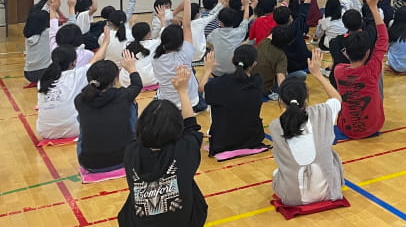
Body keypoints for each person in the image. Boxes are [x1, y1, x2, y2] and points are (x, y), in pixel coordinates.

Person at [118, 66, 207, 227]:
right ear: (177, 130)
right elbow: (192, 127)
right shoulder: (184, 149)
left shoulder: (131, 150)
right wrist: (182, 91)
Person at [270, 50, 345, 206]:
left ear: (281, 102)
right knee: (332, 157)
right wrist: (317, 74)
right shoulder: (322, 112)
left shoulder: (276, 126)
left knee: (277, 173)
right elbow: (337, 98)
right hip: (330, 192)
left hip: (293, 197)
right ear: (306, 97)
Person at [334, 0, 388, 140]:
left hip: (347, 129)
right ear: (367, 52)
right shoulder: (372, 69)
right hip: (375, 126)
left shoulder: (339, 70)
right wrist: (373, 6)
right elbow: (383, 39)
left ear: (346, 52)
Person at [37, 28, 111, 140]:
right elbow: (96, 59)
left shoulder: (43, 79)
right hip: (73, 129)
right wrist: (106, 41)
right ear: (74, 63)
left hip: (44, 131)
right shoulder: (77, 75)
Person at [76, 52, 142, 173]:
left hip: (90, 164)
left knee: (83, 120)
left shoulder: (80, 100)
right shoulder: (123, 95)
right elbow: (137, 85)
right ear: (115, 79)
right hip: (126, 159)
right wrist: (132, 68)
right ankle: (132, 137)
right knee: (132, 103)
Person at [200, 45, 266, 155]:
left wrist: (208, 70)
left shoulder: (220, 83)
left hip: (223, 141)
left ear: (232, 60)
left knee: (214, 102)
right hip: (252, 138)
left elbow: (202, 88)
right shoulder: (258, 82)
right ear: (254, 63)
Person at [154, 0, 205, 112]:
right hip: (189, 102)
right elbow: (187, 25)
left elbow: (165, 31)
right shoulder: (185, 52)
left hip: (166, 103)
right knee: (191, 73)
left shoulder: (155, 54)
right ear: (180, 41)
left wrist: (162, 20)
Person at [23, 0, 56, 88]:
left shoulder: (28, 36)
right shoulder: (47, 33)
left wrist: (47, 5)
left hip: (29, 74)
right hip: (45, 73)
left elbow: (37, 17)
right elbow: (52, 21)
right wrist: (52, 9)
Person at [122, 23, 159, 88]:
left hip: (129, 81)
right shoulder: (155, 43)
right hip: (150, 80)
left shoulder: (126, 44)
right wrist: (162, 21)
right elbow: (164, 35)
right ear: (148, 34)